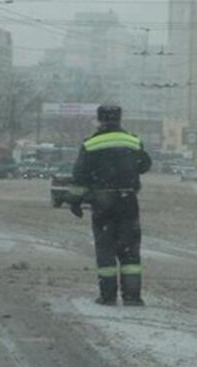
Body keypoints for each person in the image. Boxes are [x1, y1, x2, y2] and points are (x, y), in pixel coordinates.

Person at [67, 105, 152, 306]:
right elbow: (145, 165)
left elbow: (80, 176)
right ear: (120, 119)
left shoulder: (90, 144)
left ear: (100, 120)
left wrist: (75, 201)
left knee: (105, 249)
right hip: (128, 200)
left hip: (102, 201)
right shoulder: (133, 141)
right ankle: (132, 296)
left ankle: (108, 296)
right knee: (130, 250)